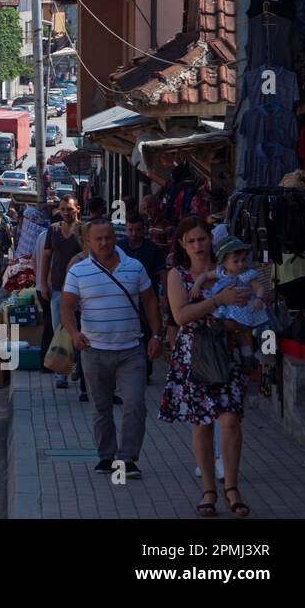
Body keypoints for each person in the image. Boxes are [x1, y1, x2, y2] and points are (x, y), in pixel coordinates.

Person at [160, 216, 252, 516]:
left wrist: (230, 316)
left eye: (202, 239)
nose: (198, 246)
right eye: (191, 241)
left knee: (230, 421)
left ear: (210, 240)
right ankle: (209, 491)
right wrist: (217, 302)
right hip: (194, 354)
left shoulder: (227, 269)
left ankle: (232, 487)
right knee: (201, 424)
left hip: (226, 353)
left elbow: (242, 313)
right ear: (183, 245)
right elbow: (182, 315)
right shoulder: (178, 275)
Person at [61, 218, 163, 480]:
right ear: (88, 241)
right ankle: (107, 455)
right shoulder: (78, 271)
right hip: (94, 350)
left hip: (131, 350)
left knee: (135, 404)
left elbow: (150, 301)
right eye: (99, 239)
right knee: (101, 405)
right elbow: (66, 307)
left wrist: (157, 335)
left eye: (108, 237)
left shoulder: (134, 266)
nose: (105, 242)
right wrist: (74, 334)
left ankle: (127, 459)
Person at [209, 237, 269, 374]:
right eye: (236, 261)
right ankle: (245, 357)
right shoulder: (220, 273)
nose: (241, 264)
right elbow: (205, 276)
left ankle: (260, 357)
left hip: (247, 308)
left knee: (257, 331)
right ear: (223, 262)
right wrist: (196, 285)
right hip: (229, 310)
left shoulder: (246, 275)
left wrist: (259, 298)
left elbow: (259, 287)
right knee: (237, 333)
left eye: (243, 260)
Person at [42, 196, 83, 390]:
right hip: (58, 288)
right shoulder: (53, 230)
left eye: (70, 209)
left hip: (81, 290)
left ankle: (77, 366)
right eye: (63, 209)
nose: (66, 212)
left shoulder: (83, 231)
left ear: (77, 210)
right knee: (60, 330)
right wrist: (42, 283)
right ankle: (61, 373)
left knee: (80, 330)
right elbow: (46, 257)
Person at [122, 215, 168, 380]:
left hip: (148, 300)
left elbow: (163, 273)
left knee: (148, 334)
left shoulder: (153, 249)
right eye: (130, 230)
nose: (134, 234)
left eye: (137, 230)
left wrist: (165, 297)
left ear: (144, 230)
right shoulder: (119, 248)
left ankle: (145, 371)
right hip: (125, 301)